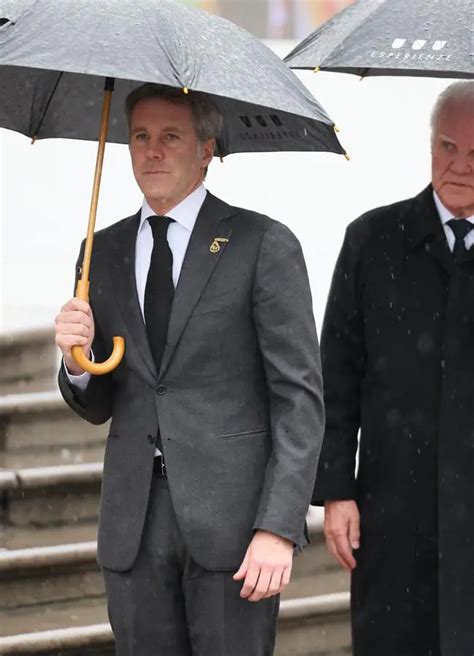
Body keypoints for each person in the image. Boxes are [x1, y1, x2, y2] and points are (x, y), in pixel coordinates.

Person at [55, 83, 324, 656]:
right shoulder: (98, 252)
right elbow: (100, 398)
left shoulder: (263, 244)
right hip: (132, 527)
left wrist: (278, 527)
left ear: (206, 148)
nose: (151, 151)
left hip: (234, 531)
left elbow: (299, 399)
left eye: (170, 137)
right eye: (140, 137)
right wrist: (75, 360)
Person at [313, 80, 474, 656]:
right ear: (430, 146)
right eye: (448, 147)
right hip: (391, 509)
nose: (458, 166)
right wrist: (335, 490)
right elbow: (335, 375)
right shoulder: (372, 241)